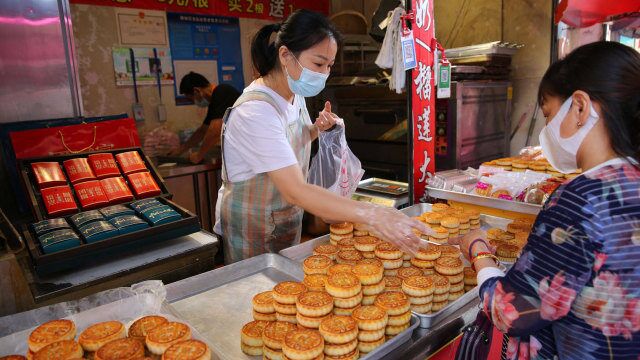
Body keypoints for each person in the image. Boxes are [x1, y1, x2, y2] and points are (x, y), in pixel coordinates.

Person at [455, 41, 640, 359]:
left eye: (549, 115)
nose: (546, 130)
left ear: (580, 107)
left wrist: (478, 250)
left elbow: (511, 313)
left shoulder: (579, 201)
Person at [216, 9, 431, 263]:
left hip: (283, 219)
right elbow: (295, 190)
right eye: (318, 63)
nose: (324, 73)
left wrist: (316, 130)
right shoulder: (256, 111)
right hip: (251, 228)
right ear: (285, 55)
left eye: (329, 65)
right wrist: (372, 214)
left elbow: (289, 143)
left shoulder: (294, 94)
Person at [171, 72, 241, 164]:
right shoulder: (214, 102)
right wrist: (181, 149)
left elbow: (215, 131)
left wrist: (199, 155)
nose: (193, 102)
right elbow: (203, 131)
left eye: (191, 99)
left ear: (197, 91)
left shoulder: (222, 92)